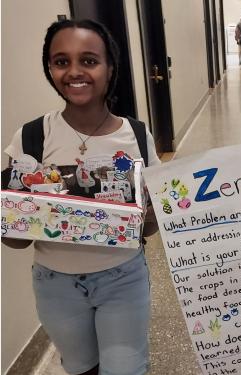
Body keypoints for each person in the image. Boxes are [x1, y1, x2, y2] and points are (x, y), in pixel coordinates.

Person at [2, 19, 161, 375]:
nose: (74, 72)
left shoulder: (136, 135)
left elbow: (146, 229)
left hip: (123, 277)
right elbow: (14, 241)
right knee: (79, 368)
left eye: (89, 60)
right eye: (61, 62)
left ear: (110, 68)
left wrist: (147, 214)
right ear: (50, 69)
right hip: (55, 285)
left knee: (126, 368)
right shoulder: (30, 139)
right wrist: (15, 212)